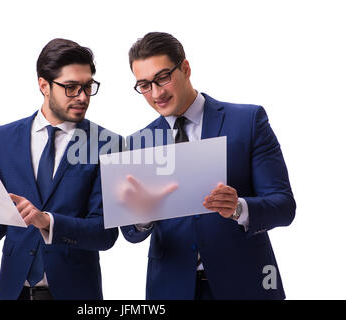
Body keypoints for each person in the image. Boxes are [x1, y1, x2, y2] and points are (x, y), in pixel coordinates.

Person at [121, 32, 296, 300]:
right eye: (144, 85)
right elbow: (131, 233)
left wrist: (239, 208)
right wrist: (143, 215)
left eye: (162, 78)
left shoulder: (247, 121)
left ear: (186, 68)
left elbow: (284, 206)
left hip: (246, 285)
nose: (156, 93)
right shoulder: (137, 145)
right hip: (171, 289)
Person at [0, 38, 120, 300]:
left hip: (76, 293)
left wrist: (47, 221)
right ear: (43, 85)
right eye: (71, 87)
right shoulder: (3, 139)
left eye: (88, 87)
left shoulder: (108, 144)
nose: (82, 97)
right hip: (14, 292)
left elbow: (104, 234)